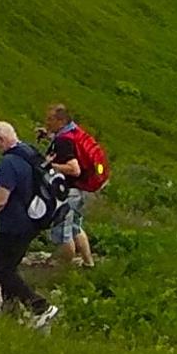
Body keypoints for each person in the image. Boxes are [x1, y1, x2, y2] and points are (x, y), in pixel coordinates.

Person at [0, 118, 59, 326]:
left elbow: (0, 199)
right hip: (32, 221)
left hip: (14, 224)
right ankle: (10, 311)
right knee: (10, 267)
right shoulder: (29, 152)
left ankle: (39, 306)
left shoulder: (9, 163)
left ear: (0, 139)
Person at [41, 103, 110, 268]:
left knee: (63, 234)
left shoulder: (64, 141)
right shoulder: (73, 133)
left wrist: (49, 166)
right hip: (81, 190)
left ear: (61, 121)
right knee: (75, 228)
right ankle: (89, 263)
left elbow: (74, 169)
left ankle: (62, 268)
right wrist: (49, 137)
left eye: (50, 119)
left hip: (68, 192)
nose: (47, 122)